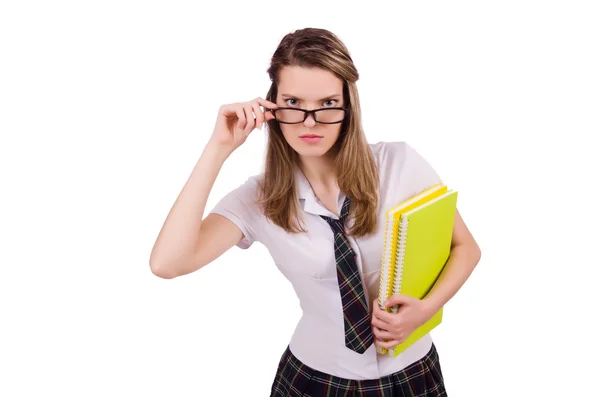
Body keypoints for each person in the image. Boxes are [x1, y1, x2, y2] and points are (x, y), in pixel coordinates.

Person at [150, 27, 481, 396]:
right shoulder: (259, 198)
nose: (310, 122)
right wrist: (218, 147)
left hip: (411, 373)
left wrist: (426, 310)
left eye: (326, 104)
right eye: (293, 103)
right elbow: (168, 263)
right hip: (314, 379)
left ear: (348, 106)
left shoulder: (400, 164)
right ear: (272, 106)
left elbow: (466, 247)